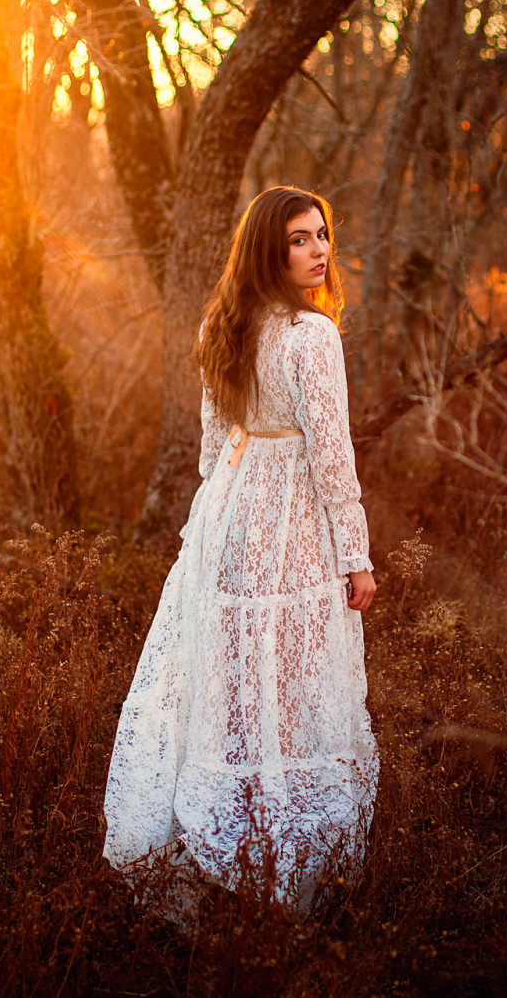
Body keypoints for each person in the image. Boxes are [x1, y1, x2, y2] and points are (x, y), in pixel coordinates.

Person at [101, 186, 379, 913]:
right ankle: (279, 859)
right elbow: (331, 458)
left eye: (323, 233)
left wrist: (229, 510)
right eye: (299, 238)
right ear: (268, 249)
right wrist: (356, 553)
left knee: (236, 678)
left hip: (226, 512)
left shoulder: (224, 326)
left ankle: (234, 841)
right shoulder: (312, 336)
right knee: (287, 682)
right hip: (287, 523)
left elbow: (206, 452)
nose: (320, 249)